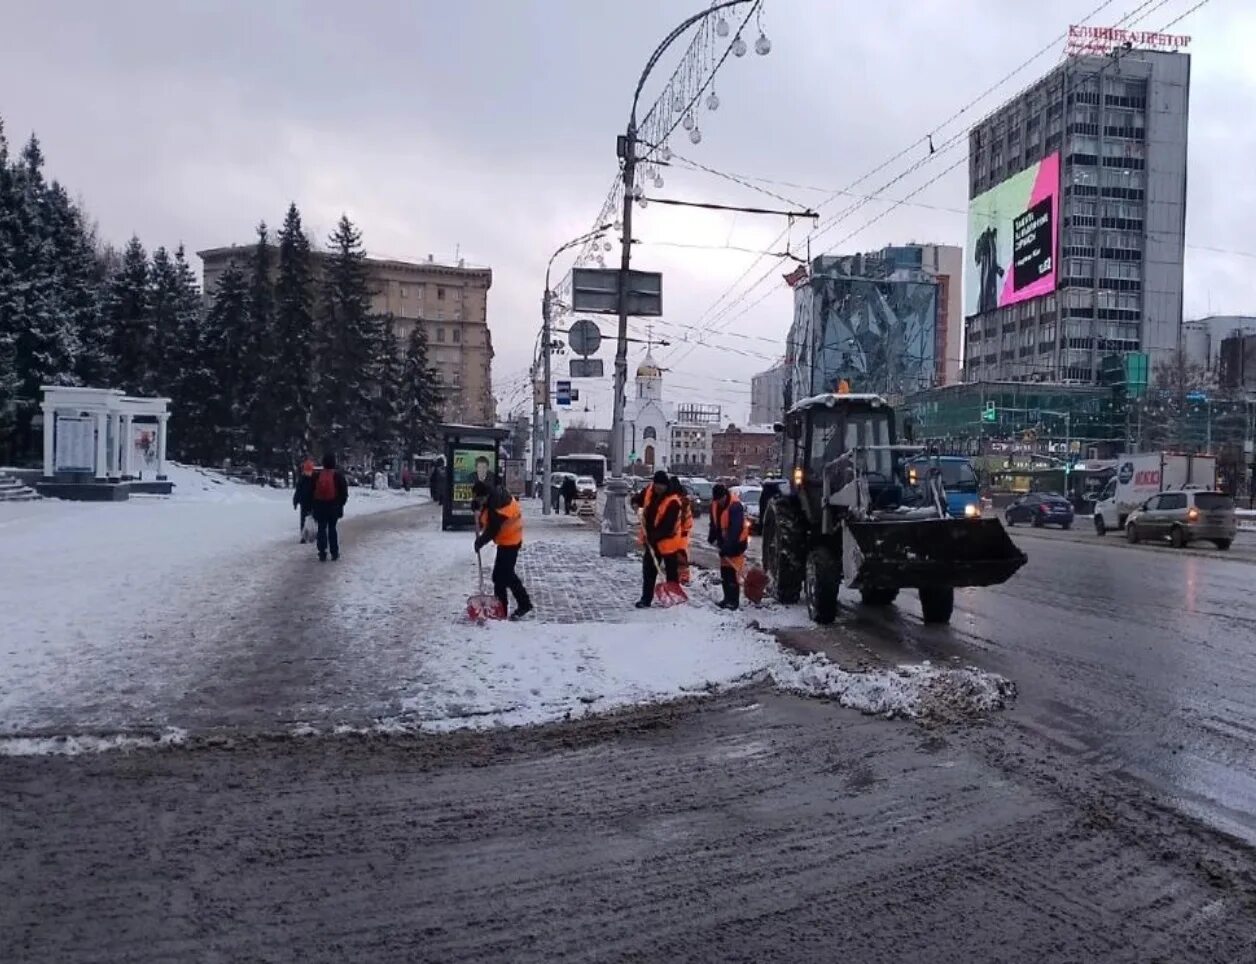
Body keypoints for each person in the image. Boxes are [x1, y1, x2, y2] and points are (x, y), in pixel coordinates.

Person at [472, 478, 533, 621]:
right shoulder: (493, 497)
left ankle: (523, 604)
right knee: (500, 577)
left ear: (485, 496)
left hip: (510, 541)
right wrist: (476, 507)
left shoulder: (496, 506)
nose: (479, 501)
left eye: (479, 499)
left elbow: (492, 529)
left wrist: (480, 542)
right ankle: (502, 609)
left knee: (505, 576)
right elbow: (485, 513)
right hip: (507, 541)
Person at [630, 470, 684, 609]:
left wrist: (653, 537)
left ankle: (674, 596)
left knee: (671, 572)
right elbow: (638, 498)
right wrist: (635, 503)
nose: (658, 488)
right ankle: (646, 599)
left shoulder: (673, 501)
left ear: (666, 485)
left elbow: (667, 527)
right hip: (651, 540)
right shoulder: (649, 490)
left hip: (668, 542)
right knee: (649, 570)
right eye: (656, 485)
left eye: (661, 486)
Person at [708, 483, 751, 610]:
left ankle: (734, 601)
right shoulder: (715, 505)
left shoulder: (735, 506)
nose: (719, 502)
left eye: (720, 499)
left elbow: (735, 529)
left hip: (737, 543)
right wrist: (712, 537)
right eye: (717, 500)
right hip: (724, 543)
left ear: (725, 496)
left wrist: (727, 547)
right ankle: (727, 598)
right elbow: (714, 523)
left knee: (732, 573)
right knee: (725, 572)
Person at [310, 452, 349, 562]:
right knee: (332, 529)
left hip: (320, 506)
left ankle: (322, 552)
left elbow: (311, 492)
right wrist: (340, 504)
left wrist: (313, 505)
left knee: (321, 528)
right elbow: (344, 493)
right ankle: (334, 552)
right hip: (333, 506)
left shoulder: (317, 475)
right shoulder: (338, 476)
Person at [670, 475, 694, 586]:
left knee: (680, 557)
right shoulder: (683, 500)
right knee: (679, 557)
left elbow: (683, 519)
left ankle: (683, 578)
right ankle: (681, 577)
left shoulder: (681, 501)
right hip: (681, 533)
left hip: (681, 534)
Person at [293, 458, 315, 543]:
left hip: (313, 503)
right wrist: (295, 501)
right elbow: (298, 491)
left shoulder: (314, 479)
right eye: (307, 471)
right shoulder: (302, 480)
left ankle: (312, 535)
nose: (308, 473)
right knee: (303, 520)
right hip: (304, 503)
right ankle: (303, 536)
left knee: (312, 520)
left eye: (310, 471)